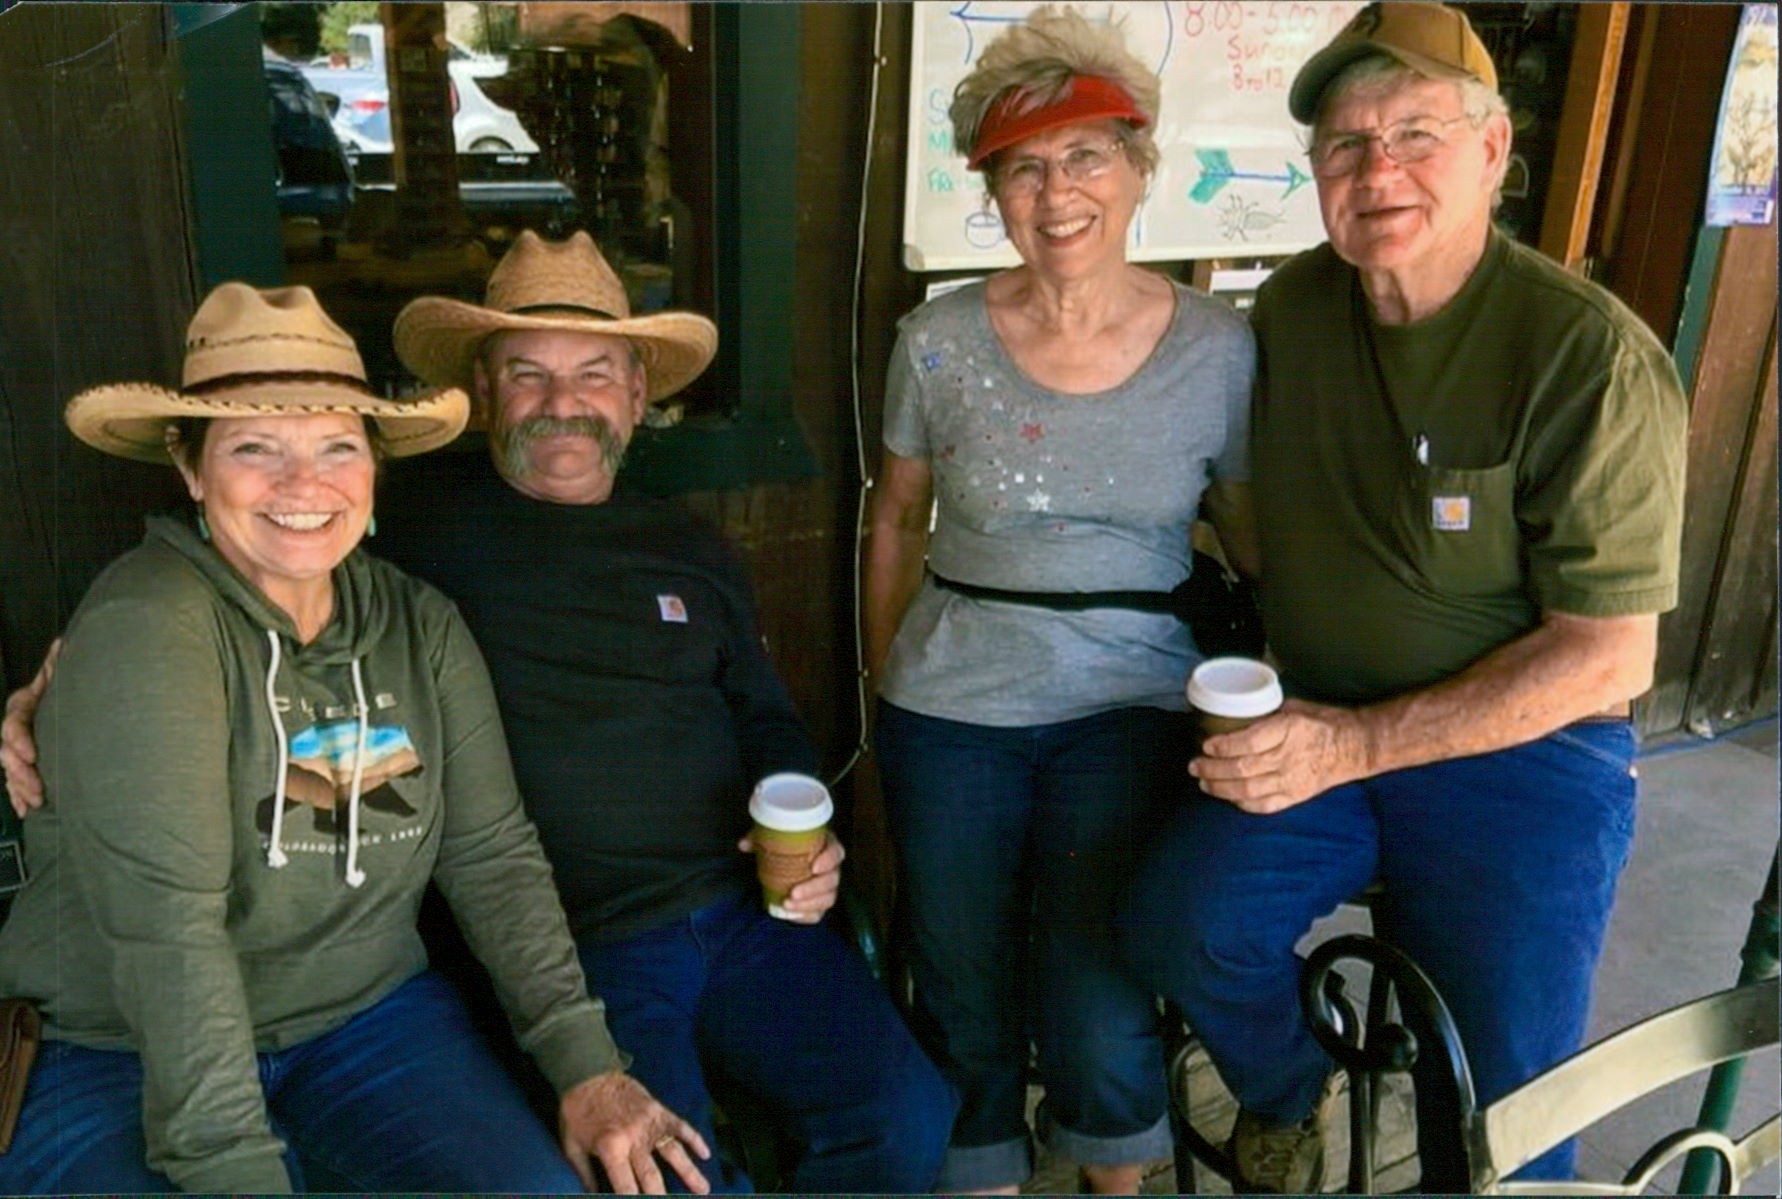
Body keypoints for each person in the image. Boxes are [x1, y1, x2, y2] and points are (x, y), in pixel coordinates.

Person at [2, 231, 957, 1192]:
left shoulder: (435, 607)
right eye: (254, 446)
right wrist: (81, 688)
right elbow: (170, 920)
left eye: (337, 446)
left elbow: (517, 838)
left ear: (638, 395)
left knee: (904, 1112)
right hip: (155, 1031)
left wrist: (799, 825)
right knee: (672, 1179)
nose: (305, 485)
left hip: (537, 963)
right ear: (189, 466)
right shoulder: (379, 547)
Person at [1117, 2, 1689, 1190]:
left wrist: (1356, 742)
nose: (1378, 172)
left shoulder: (1586, 355)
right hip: (1318, 719)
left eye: (1416, 134)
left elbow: (1608, 655)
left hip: (1526, 757)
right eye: (1345, 144)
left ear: (1493, 149)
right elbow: (1235, 485)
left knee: (1502, 1107)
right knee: (1181, 920)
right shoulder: (1292, 311)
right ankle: (1291, 1086)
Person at [863, 8, 1256, 1194]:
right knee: (960, 969)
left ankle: (1113, 1177)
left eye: (1086, 155)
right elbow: (897, 517)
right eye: (1023, 168)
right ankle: (981, 1167)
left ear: (1139, 168)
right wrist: (888, 681)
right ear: (992, 194)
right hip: (951, 702)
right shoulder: (936, 341)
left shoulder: (1220, 347)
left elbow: (1250, 531)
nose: (1057, 191)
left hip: (1132, 699)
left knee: (1095, 985)